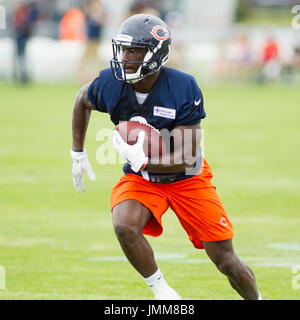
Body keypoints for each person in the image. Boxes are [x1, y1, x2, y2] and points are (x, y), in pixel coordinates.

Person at [70, 14, 261, 300]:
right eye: (123, 49)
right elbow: (82, 99)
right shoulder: (111, 82)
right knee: (124, 225)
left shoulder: (182, 86)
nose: (125, 56)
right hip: (143, 178)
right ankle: (162, 291)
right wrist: (77, 152)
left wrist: (144, 160)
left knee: (226, 260)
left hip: (187, 177)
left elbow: (187, 156)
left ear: (156, 54)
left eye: (134, 50)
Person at [12, 1, 38, 84]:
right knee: (20, 58)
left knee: (22, 58)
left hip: (22, 38)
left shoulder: (25, 13)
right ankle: (21, 77)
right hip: (20, 38)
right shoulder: (22, 13)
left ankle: (23, 77)